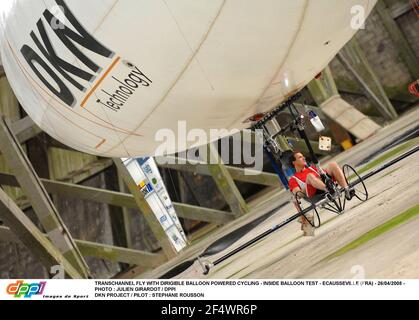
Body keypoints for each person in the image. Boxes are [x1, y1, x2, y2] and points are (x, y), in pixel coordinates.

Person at [288, 151, 352, 200]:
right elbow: (298, 194)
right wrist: (308, 182)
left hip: (324, 183)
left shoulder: (312, 168)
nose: (304, 158)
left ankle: (346, 189)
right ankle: (330, 190)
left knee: (332, 164)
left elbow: (325, 175)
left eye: (303, 156)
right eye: (300, 157)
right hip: (314, 193)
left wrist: (319, 177)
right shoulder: (293, 179)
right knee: (310, 176)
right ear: (294, 162)